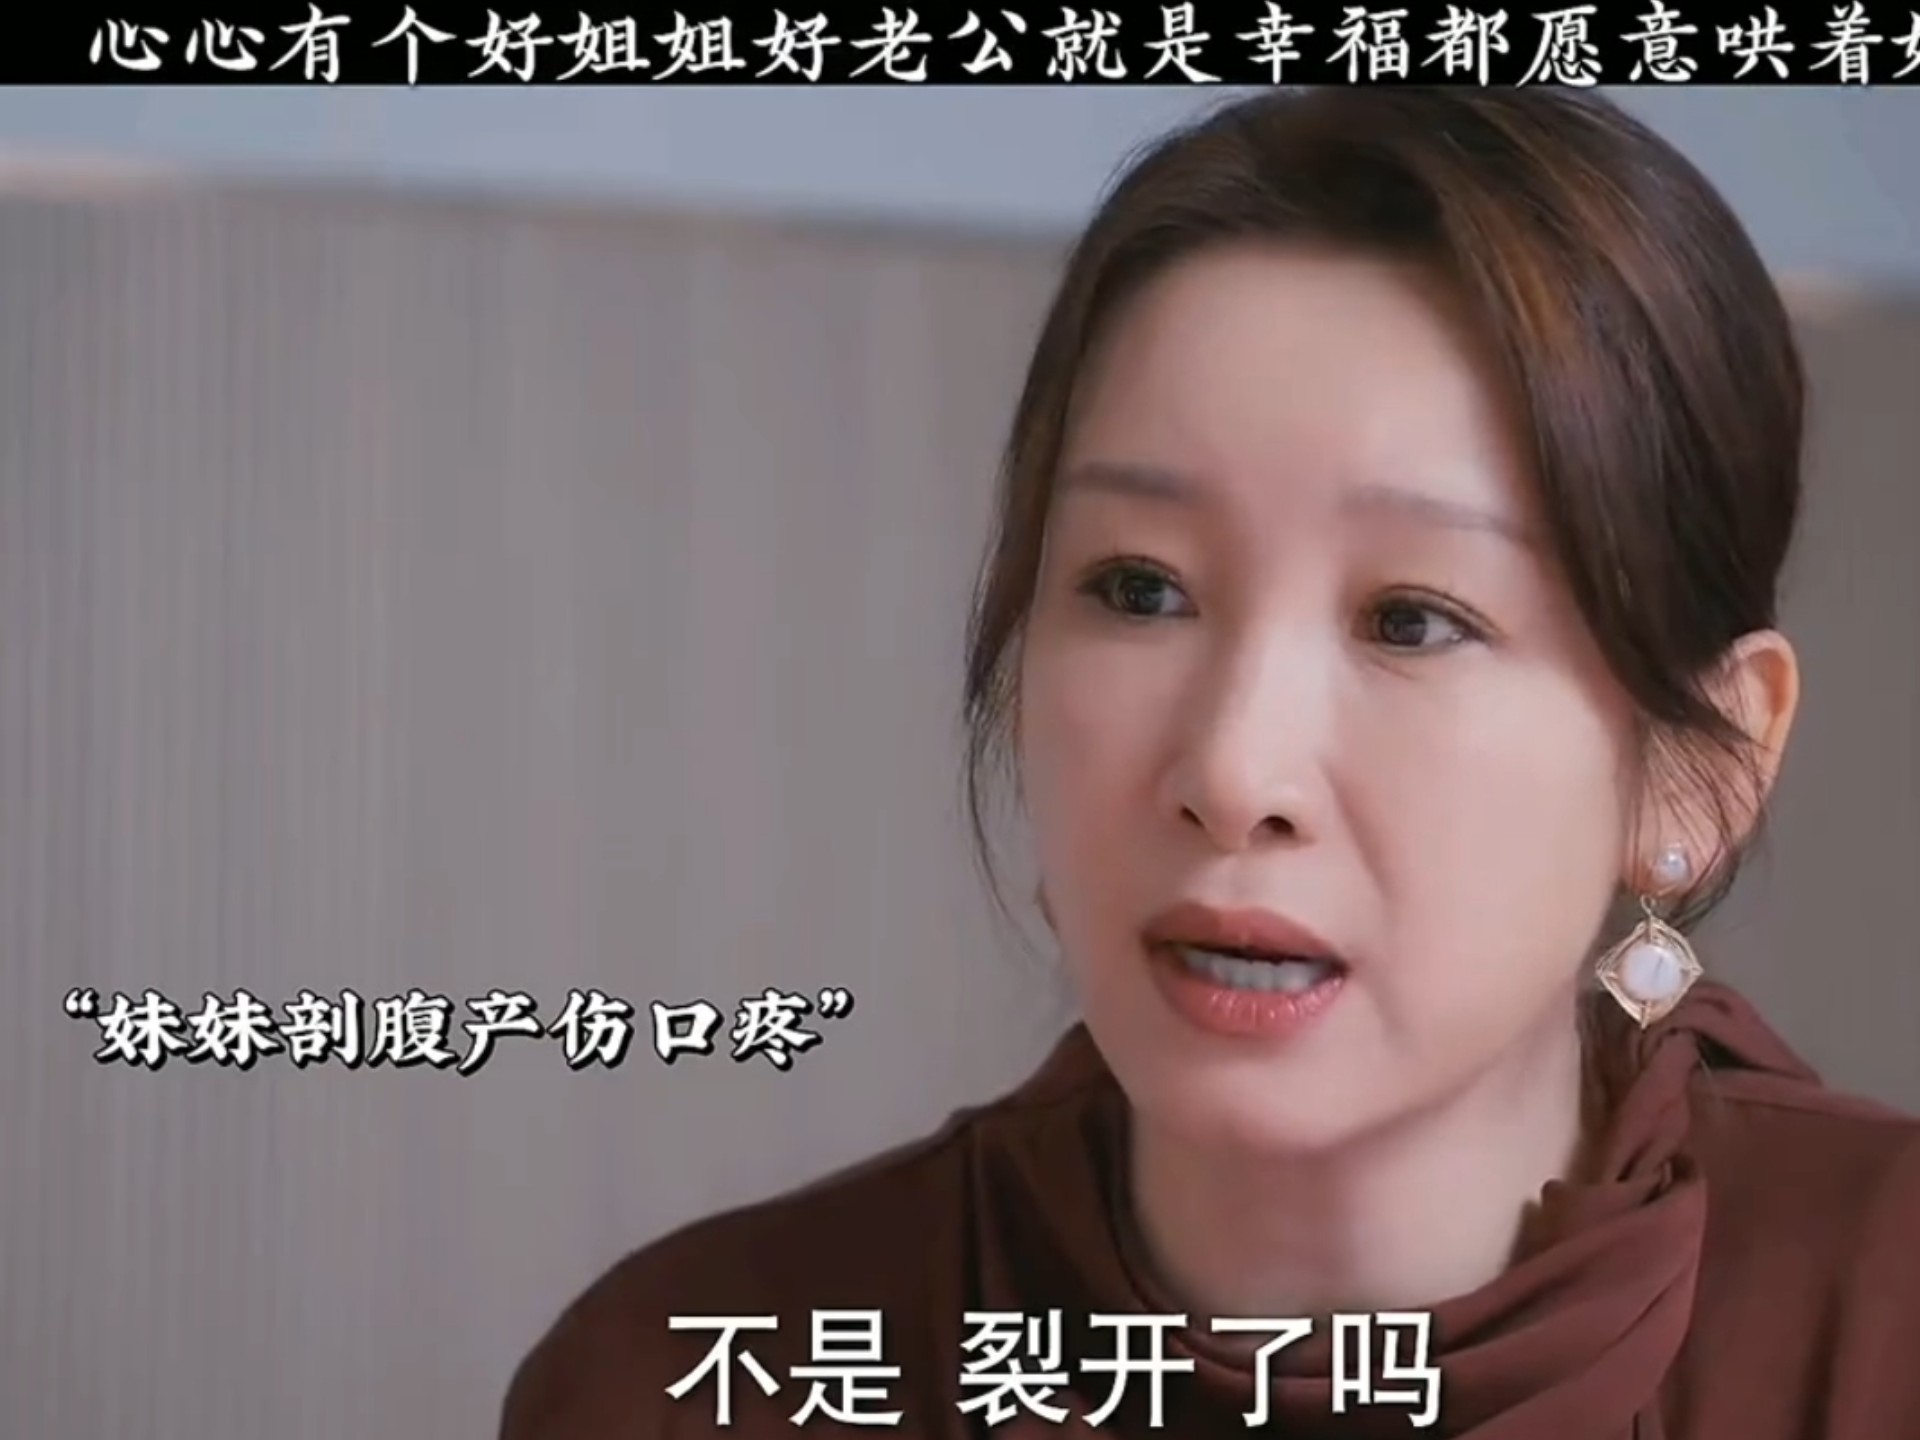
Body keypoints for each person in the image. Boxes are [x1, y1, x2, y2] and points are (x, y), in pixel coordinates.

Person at [498, 88, 1920, 1439]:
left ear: (1701, 769)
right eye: (1140, 590)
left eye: (1413, 620)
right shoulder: (694, 1382)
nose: (1234, 775)